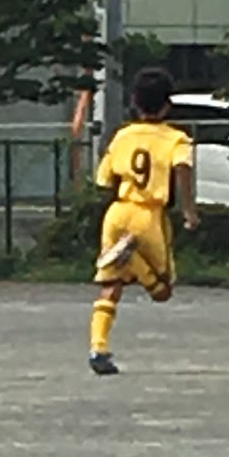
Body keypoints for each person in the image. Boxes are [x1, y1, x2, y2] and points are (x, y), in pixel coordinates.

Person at [89, 67, 199, 376]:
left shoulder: (122, 136)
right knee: (161, 291)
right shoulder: (177, 138)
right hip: (148, 216)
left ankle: (99, 348)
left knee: (110, 287)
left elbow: (103, 180)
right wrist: (189, 210)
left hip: (118, 211)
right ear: (168, 104)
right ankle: (134, 257)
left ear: (135, 102)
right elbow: (183, 170)